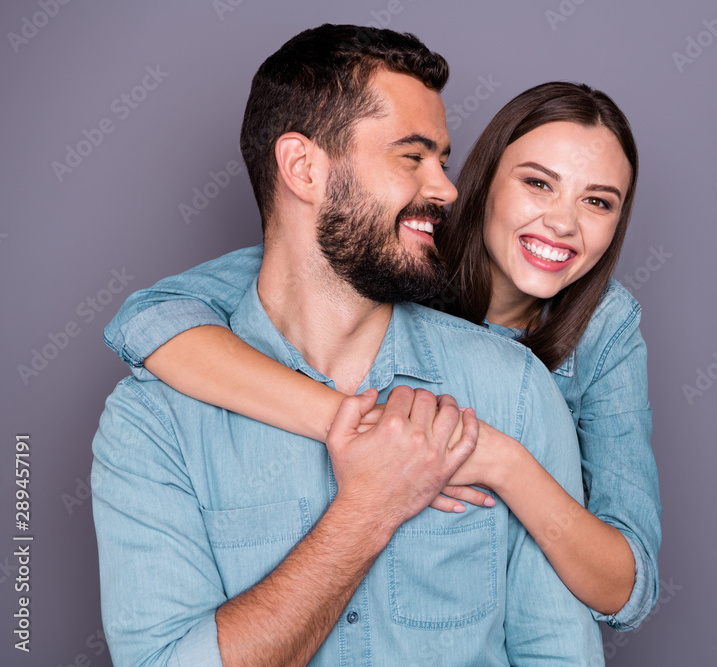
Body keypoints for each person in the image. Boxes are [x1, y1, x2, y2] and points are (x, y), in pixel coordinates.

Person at [91, 24, 605, 666]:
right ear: (304, 168)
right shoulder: (153, 420)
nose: (446, 188)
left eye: (442, 160)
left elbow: (559, 652)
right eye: (412, 157)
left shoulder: (513, 390)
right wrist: (367, 510)